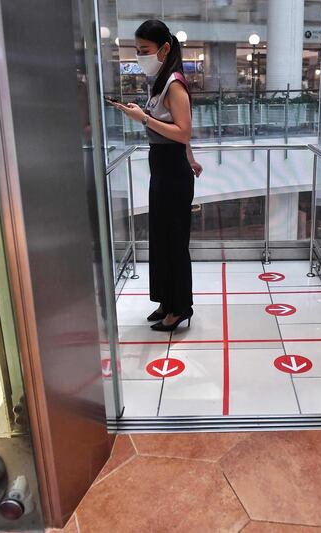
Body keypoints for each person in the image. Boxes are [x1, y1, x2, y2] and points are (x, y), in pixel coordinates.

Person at [110, 19, 202, 332]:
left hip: (172, 171)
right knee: (161, 238)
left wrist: (145, 118)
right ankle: (166, 301)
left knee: (174, 241)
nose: (140, 56)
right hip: (164, 167)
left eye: (144, 50)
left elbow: (183, 130)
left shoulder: (174, 84)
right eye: (137, 51)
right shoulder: (161, 82)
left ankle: (179, 308)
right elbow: (178, 132)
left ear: (164, 48)